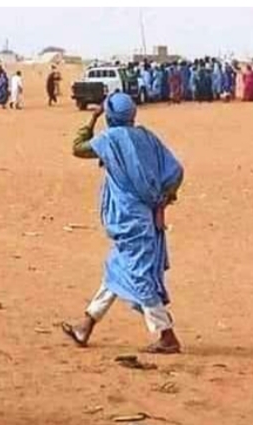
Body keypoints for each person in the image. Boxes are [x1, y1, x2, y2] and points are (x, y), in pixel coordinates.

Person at [62, 92, 184, 354]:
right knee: (116, 271)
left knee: (140, 277)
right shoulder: (147, 137)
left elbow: (77, 147)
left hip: (130, 222)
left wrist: (92, 118)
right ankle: (86, 325)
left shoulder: (109, 139)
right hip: (143, 219)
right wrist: (163, 201)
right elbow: (176, 171)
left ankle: (167, 335)